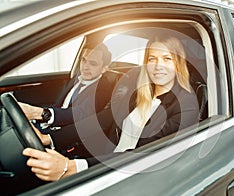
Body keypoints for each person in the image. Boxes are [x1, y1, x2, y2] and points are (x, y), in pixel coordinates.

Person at [22, 35, 199, 181]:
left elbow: (141, 154)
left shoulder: (186, 106)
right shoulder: (140, 92)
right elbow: (102, 118)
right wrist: (50, 138)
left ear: (178, 63)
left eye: (167, 59)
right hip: (108, 161)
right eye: (152, 59)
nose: (158, 66)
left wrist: (73, 167)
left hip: (134, 174)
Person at [18, 43, 115, 130]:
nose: (85, 67)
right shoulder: (77, 78)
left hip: (64, 135)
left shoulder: (104, 89)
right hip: (50, 125)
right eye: (84, 60)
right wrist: (36, 119)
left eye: (93, 64)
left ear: (104, 69)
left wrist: (40, 113)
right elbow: (61, 105)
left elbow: (81, 113)